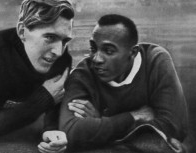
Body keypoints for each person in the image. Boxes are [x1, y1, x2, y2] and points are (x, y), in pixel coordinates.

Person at [59, 14, 188, 153]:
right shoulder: (83, 74)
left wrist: (101, 123)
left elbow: (174, 127)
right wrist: (133, 117)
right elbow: (70, 132)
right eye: (93, 48)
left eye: (108, 51)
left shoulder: (155, 60)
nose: (96, 59)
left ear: (132, 53)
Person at [0, 0, 74, 152]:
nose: (58, 51)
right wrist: (41, 100)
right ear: (22, 31)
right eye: (50, 38)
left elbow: (54, 107)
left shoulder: (63, 59)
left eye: (65, 41)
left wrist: (50, 130)